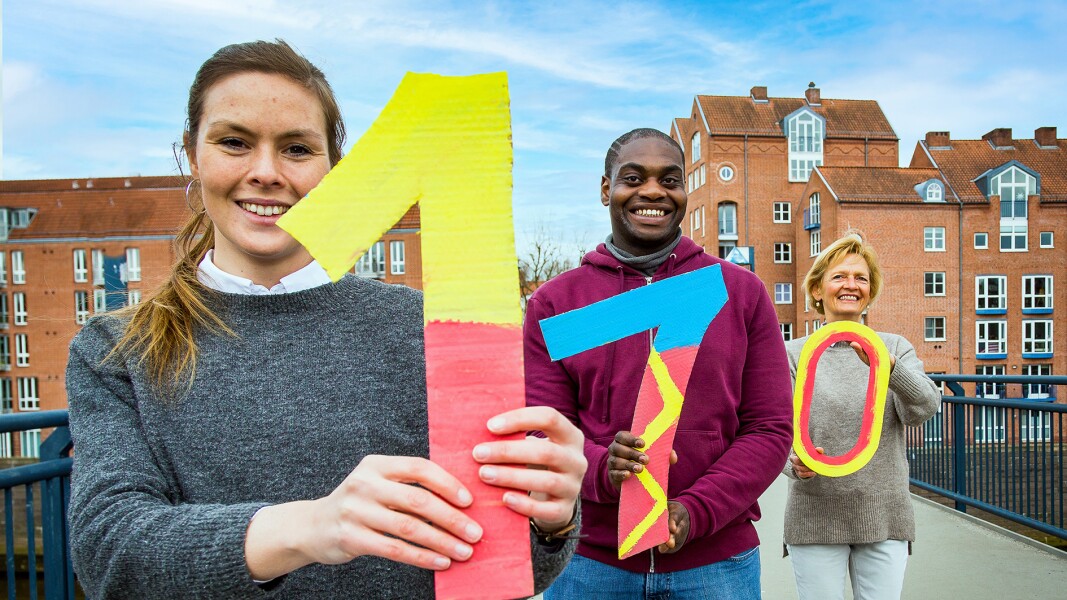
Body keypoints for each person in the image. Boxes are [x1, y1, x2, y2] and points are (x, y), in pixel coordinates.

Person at [65, 39, 586, 599]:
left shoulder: (427, 330)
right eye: (234, 142)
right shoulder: (115, 349)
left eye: (296, 149)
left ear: (334, 168)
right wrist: (311, 528)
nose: (266, 172)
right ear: (192, 154)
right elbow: (108, 553)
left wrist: (549, 519)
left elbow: (505, 563)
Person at [523, 128, 794, 599]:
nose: (653, 191)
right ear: (606, 189)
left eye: (670, 180)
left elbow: (769, 428)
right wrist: (601, 469)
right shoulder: (557, 304)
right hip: (591, 562)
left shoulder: (739, 293)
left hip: (716, 562)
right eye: (633, 178)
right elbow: (542, 429)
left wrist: (696, 511)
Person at [783, 232, 940, 600]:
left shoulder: (894, 347)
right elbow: (774, 428)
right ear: (817, 290)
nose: (850, 285)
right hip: (815, 511)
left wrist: (890, 368)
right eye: (839, 276)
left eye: (861, 278)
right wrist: (793, 463)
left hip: (883, 512)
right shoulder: (791, 353)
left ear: (870, 291)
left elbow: (923, 409)